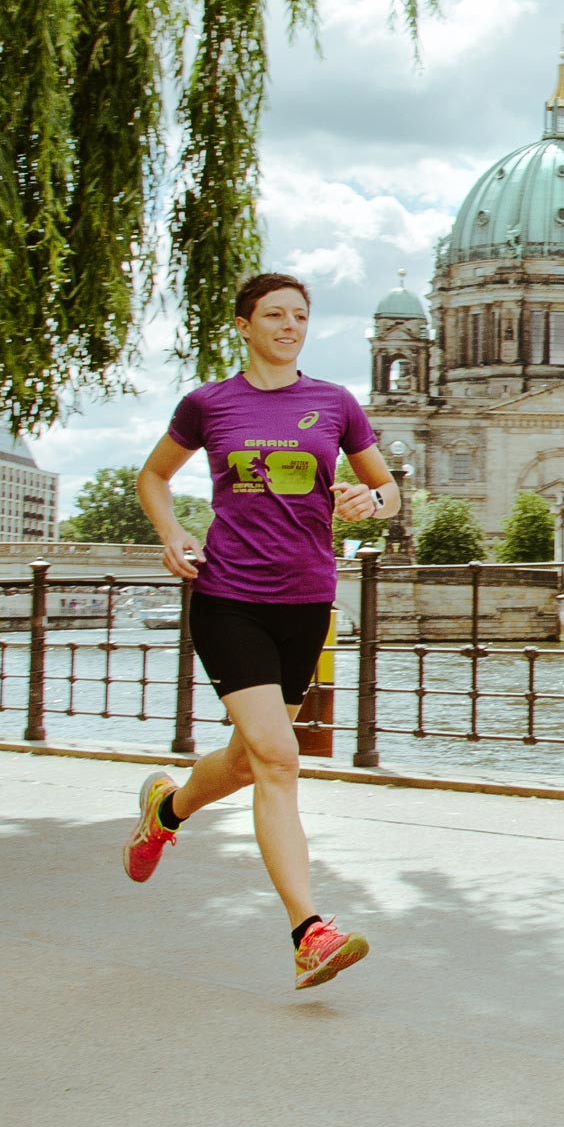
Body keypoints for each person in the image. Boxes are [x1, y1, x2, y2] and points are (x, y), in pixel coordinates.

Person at [122, 272, 400, 989]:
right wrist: (171, 530)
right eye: (273, 315)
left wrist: (369, 502)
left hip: (306, 601)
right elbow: (153, 476)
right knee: (278, 756)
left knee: (250, 760)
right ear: (244, 325)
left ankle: (167, 809)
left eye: (299, 316)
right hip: (228, 597)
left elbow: (389, 491)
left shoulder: (334, 404)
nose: (289, 326)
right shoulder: (208, 404)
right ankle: (310, 933)